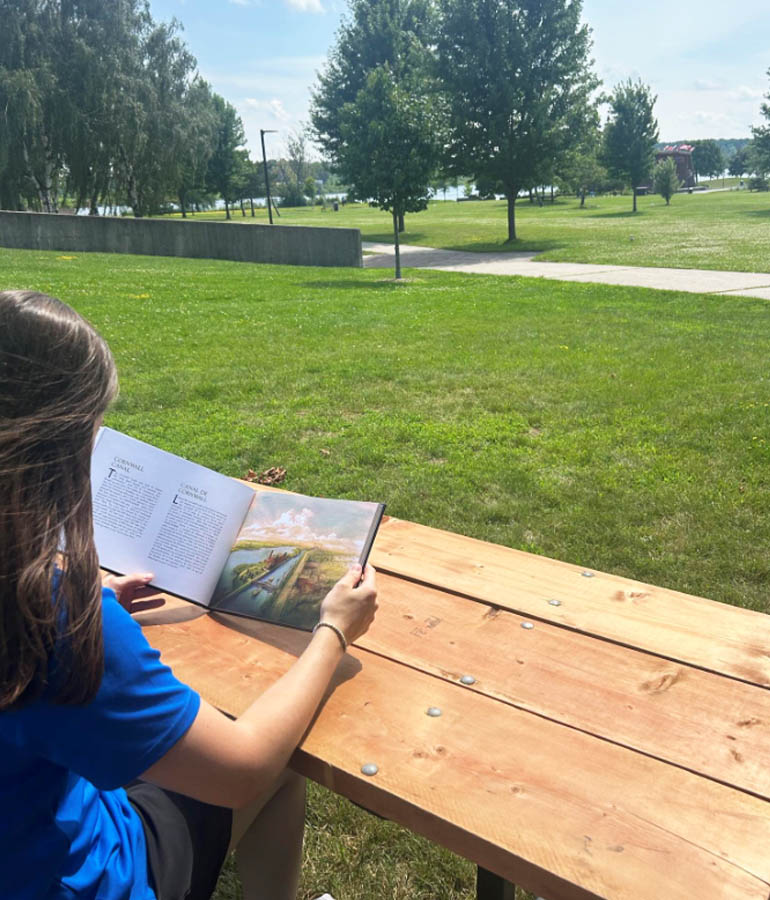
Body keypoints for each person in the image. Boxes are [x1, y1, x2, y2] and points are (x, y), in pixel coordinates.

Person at [0, 290, 378, 900]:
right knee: (279, 769)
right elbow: (244, 769)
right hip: (77, 878)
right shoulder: (49, 618)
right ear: (59, 445)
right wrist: (333, 631)